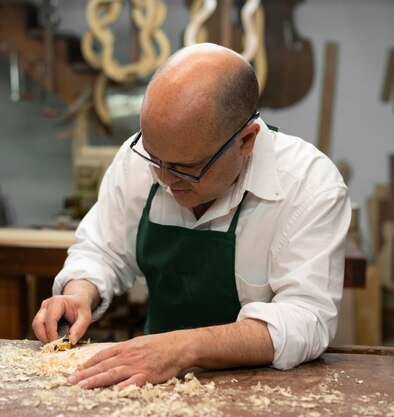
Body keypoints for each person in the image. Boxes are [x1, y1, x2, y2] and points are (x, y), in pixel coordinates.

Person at [32, 43, 351, 390]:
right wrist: (80, 293)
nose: (166, 179)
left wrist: (184, 348)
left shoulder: (311, 186)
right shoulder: (140, 160)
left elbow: (306, 319)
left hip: (261, 390)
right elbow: (103, 251)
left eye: (186, 169)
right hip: (155, 382)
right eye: (156, 159)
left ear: (246, 140)